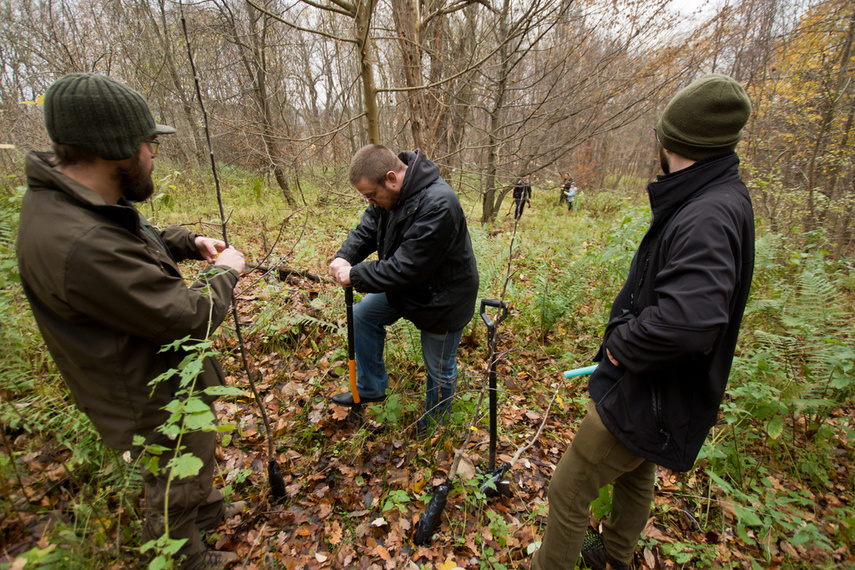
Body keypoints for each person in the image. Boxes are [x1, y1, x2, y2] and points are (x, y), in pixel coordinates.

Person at [16, 73, 247, 569]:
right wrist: (226, 274)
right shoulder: (76, 242)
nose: (152, 155)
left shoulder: (78, 203)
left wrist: (188, 243)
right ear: (117, 147)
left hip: (155, 371)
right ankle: (183, 557)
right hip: (142, 392)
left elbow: (132, 234)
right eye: (149, 144)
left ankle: (204, 518)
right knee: (172, 474)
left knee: (195, 452)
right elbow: (187, 316)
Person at [532, 74, 755, 570]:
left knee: (567, 489)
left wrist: (623, 345)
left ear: (673, 139)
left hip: (647, 388)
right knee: (636, 470)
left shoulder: (708, 214)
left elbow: (690, 322)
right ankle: (614, 556)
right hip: (660, 393)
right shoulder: (712, 196)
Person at [328, 145, 479, 434]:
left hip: (443, 298)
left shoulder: (439, 204)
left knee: (439, 369)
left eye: (371, 195)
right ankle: (371, 387)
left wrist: (355, 275)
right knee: (363, 315)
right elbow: (369, 226)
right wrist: (345, 256)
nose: (370, 201)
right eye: (366, 197)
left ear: (391, 178)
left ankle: (434, 427)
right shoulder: (389, 196)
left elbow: (406, 267)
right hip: (408, 287)